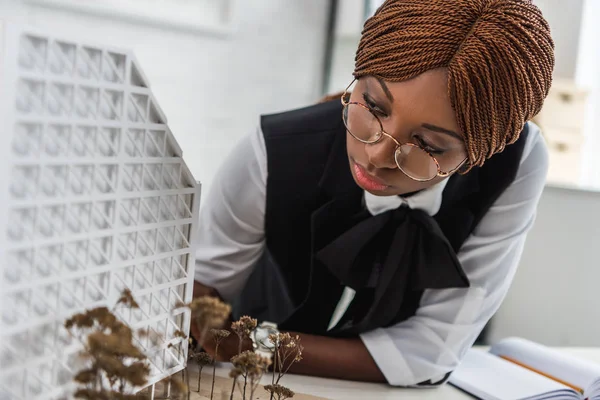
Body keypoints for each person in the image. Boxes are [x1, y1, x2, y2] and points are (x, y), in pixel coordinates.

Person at [192, 0, 555, 387]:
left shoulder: (517, 161)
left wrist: (243, 345)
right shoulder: (270, 153)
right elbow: (195, 303)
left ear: (480, 154)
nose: (376, 155)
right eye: (374, 105)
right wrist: (234, 346)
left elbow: (430, 354)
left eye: (429, 145)